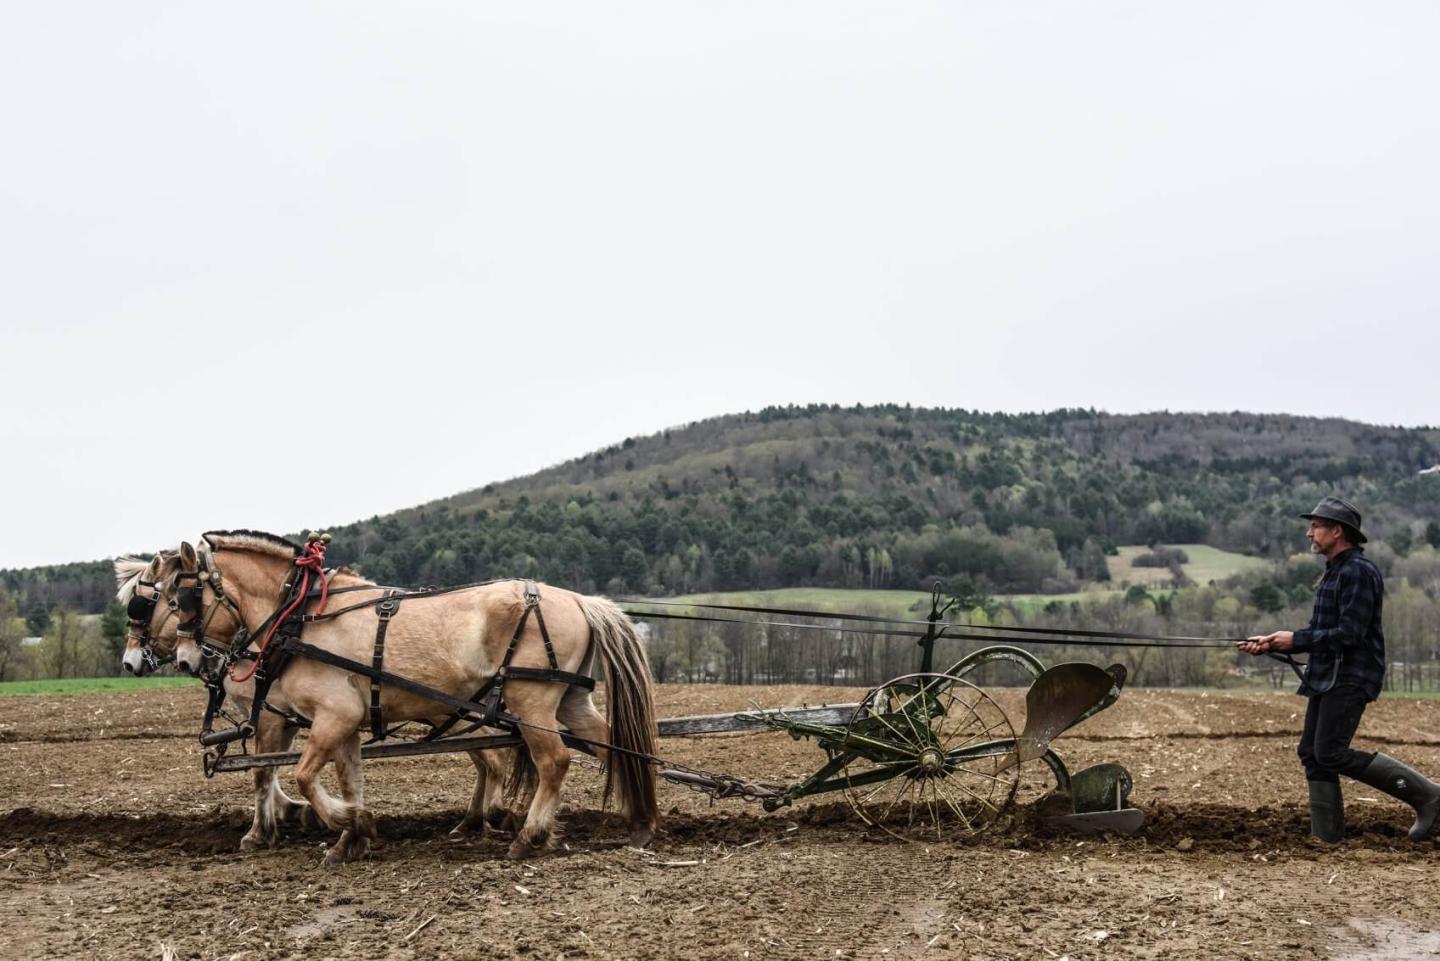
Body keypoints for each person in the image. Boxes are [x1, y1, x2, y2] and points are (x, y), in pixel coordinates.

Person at [1239, 496, 1440, 843]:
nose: (1309, 533)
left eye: (1316, 526)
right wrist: (1276, 642)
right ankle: (1326, 838)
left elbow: (1350, 634)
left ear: (1337, 531)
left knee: (1330, 752)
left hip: (1351, 675)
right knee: (1312, 753)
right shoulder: (1334, 572)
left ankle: (1429, 797)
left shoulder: (1358, 572)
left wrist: (1295, 639)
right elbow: (1321, 631)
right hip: (1328, 674)